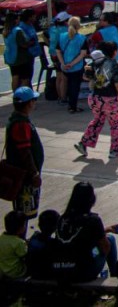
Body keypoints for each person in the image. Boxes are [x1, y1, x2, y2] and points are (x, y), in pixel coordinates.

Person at [49, 182, 115, 283]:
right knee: (110, 240)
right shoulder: (93, 219)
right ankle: (114, 274)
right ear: (91, 199)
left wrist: (104, 230)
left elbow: (77, 235)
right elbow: (105, 247)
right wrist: (98, 251)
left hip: (60, 268)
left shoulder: (63, 218)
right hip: (83, 271)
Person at [74, 41, 118, 158]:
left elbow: (85, 76)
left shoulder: (94, 63)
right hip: (110, 100)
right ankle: (114, 149)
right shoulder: (114, 65)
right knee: (115, 124)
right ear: (114, 52)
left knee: (97, 120)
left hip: (95, 98)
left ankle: (83, 144)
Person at [6, 87, 43, 219]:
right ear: (29, 103)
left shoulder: (19, 119)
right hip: (25, 177)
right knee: (24, 211)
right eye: (34, 100)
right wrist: (34, 173)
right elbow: (24, 152)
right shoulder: (20, 124)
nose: (35, 103)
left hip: (25, 174)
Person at [57, 16, 89, 113]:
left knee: (66, 82)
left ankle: (63, 99)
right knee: (74, 86)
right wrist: (72, 64)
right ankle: (72, 106)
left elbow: (58, 51)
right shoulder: (82, 38)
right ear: (78, 26)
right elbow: (83, 54)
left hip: (64, 65)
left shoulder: (62, 36)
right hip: (76, 66)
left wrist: (63, 63)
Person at [3, 10, 39, 90]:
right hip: (21, 58)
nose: (19, 20)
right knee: (25, 78)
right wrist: (31, 42)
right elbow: (24, 44)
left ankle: (15, 95)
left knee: (15, 77)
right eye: (18, 19)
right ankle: (23, 96)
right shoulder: (17, 31)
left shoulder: (6, 31)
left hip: (10, 58)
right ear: (15, 20)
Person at [26, 208, 58, 279]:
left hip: (34, 273)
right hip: (45, 275)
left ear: (39, 225)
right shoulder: (53, 244)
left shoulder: (33, 239)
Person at [0, 211, 27, 280]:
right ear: (21, 229)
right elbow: (25, 257)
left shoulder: (1, 238)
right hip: (15, 273)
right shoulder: (19, 243)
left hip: (2, 271)